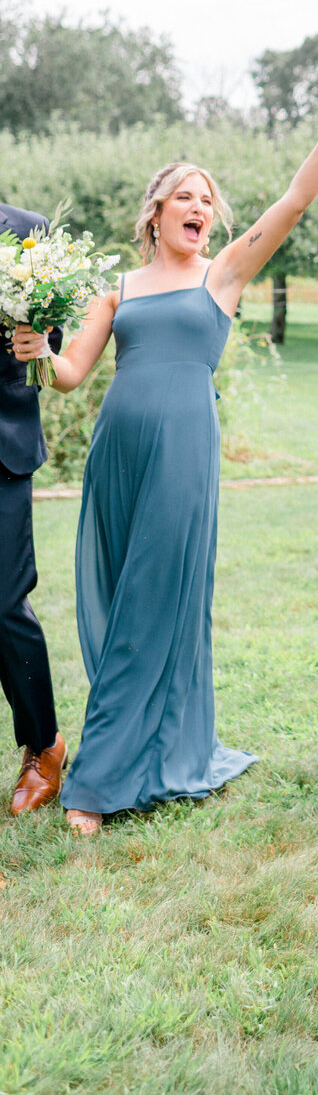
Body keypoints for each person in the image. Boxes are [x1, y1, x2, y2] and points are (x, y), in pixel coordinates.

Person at [14, 81, 318, 833]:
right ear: (157, 213)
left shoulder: (225, 275)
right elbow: (70, 376)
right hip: (117, 453)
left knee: (151, 600)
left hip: (182, 454)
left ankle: (96, 783)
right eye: (186, 198)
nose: (201, 208)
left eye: (208, 199)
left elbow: (294, 203)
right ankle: (160, 745)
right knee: (114, 601)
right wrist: (36, 352)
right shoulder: (119, 287)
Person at [0, 200, 67, 815]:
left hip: (2, 443)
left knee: (3, 601)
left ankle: (44, 744)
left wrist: (38, 340)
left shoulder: (27, 230)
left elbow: (55, 333)